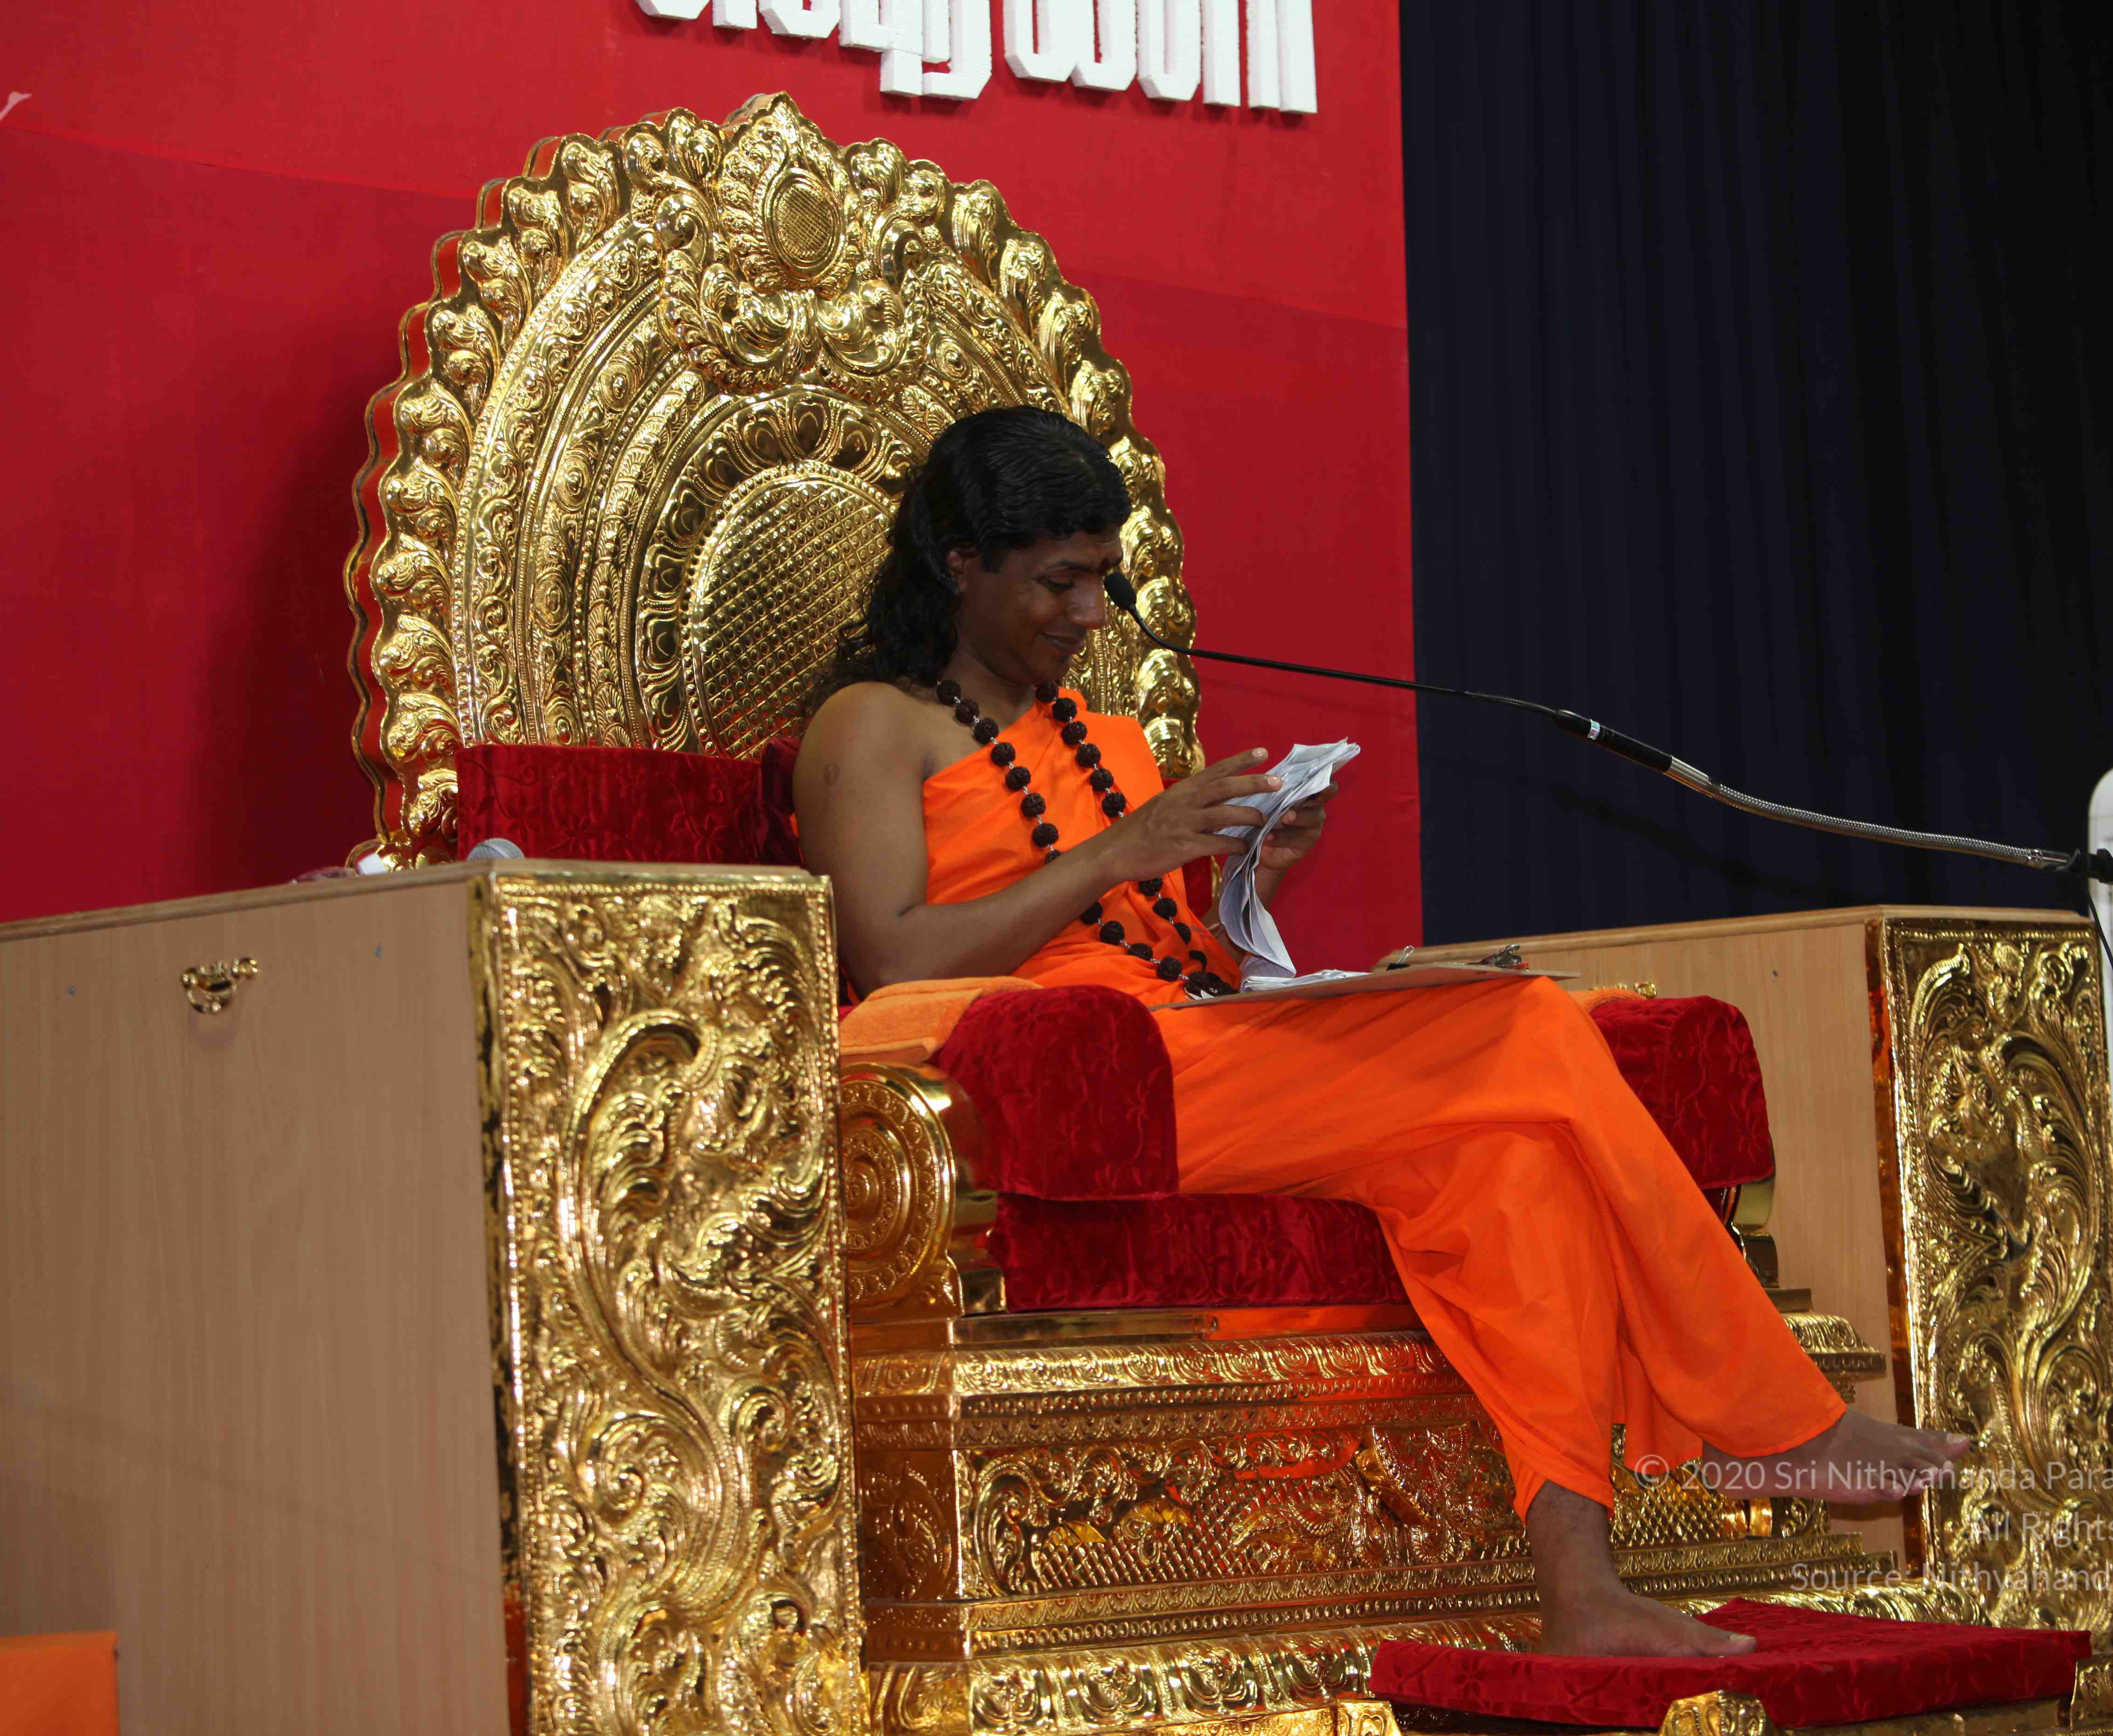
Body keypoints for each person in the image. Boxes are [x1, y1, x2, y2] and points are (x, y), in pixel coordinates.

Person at [794, 407, 1968, 1658]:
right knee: (1524, 1024)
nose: (1089, 614)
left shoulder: (1106, 739)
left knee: (1510, 1164)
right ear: (961, 563)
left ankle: (1582, 1593)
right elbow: (889, 954)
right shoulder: (871, 725)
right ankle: (1773, 1417)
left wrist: (1251, 879)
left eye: (1103, 581)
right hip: (1039, 1077)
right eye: (1058, 582)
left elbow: (1168, 953)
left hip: (1181, 1043)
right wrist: (1122, 850)